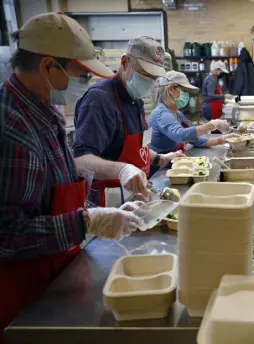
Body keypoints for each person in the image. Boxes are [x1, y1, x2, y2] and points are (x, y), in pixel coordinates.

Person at [0, 13, 143, 343]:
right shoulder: (13, 127)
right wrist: (85, 221)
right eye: (80, 75)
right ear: (49, 66)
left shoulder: (44, 111)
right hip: (25, 301)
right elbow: (7, 234)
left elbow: (57, 176)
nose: (86, 84)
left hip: (55, 273)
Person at [74, 36, 181, 207]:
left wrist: (160, 158)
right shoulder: (99, 100)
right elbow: (80, 161)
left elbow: (138, 146)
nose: (150, 81)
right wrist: (122, 170)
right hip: (110, 201)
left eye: (154, 77)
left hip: (136, 196)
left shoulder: (135, 99)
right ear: (125, 62)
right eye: (146, 74)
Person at [148, 71, 234, 175]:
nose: (186, 95)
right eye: (184, 90)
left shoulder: (178, 114)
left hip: (173, 165)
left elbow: (194, 139)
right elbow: (181, 135)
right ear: (171, 89)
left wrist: (222, 139)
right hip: (158, 170)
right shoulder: (161, 114)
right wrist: (213, 124)